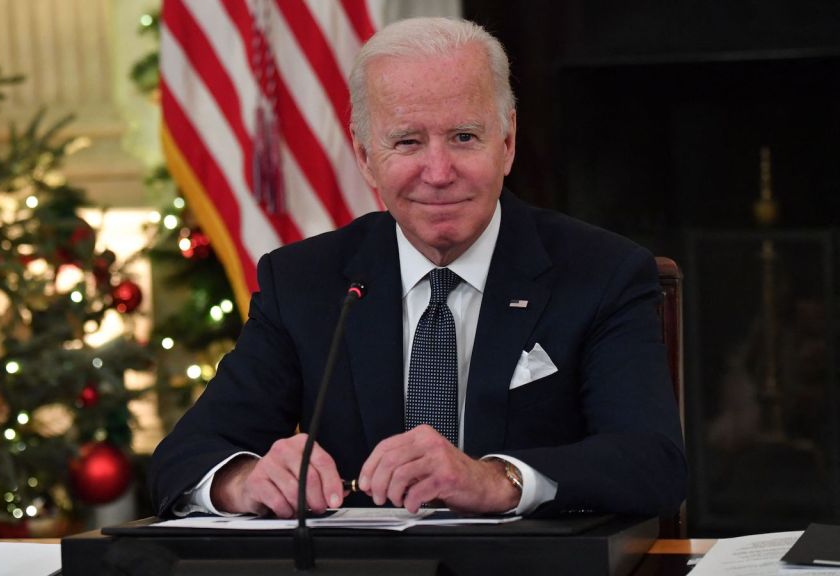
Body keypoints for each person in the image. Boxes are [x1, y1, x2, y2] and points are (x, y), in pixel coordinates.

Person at [148, 17, 686, 520]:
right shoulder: (304, 282)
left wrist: (499, 480)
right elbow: (185, 458)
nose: (438, 171)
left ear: (508, 142)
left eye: (464, 137)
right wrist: (244, 481)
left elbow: (652, 463)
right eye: (407, 141)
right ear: (364, 156)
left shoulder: (603, 273)